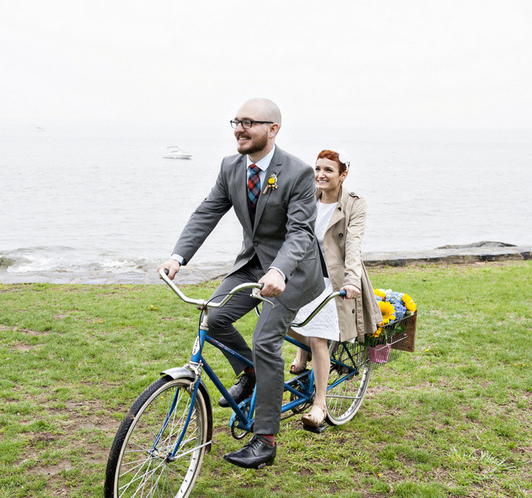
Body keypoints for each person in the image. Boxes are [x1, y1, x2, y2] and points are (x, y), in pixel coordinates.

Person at [157, 98, 326, 469]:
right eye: (236, 121)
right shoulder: (230, 167)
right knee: (213, 318)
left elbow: (299, 233)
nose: (240, 128)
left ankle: (264, 439)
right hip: (253, 264)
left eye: (250, 122)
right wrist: (178, 256)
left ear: (273, 129)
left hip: (292, 271)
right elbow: (208, 211)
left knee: (265, 340)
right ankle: (249, 373)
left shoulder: (297, 173)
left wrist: (280, 271)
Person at [288, 149, 382, 430]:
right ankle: (301, 355)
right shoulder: (306, 198)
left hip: (334, 280)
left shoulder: (354, 204)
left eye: (328, 170)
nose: (321, 175)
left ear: (343, 175)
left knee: (317, 338)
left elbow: (353, 244)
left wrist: (352, 280)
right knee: (282, 323)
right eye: (317, 168)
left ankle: (319, 405)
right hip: (303, 276)